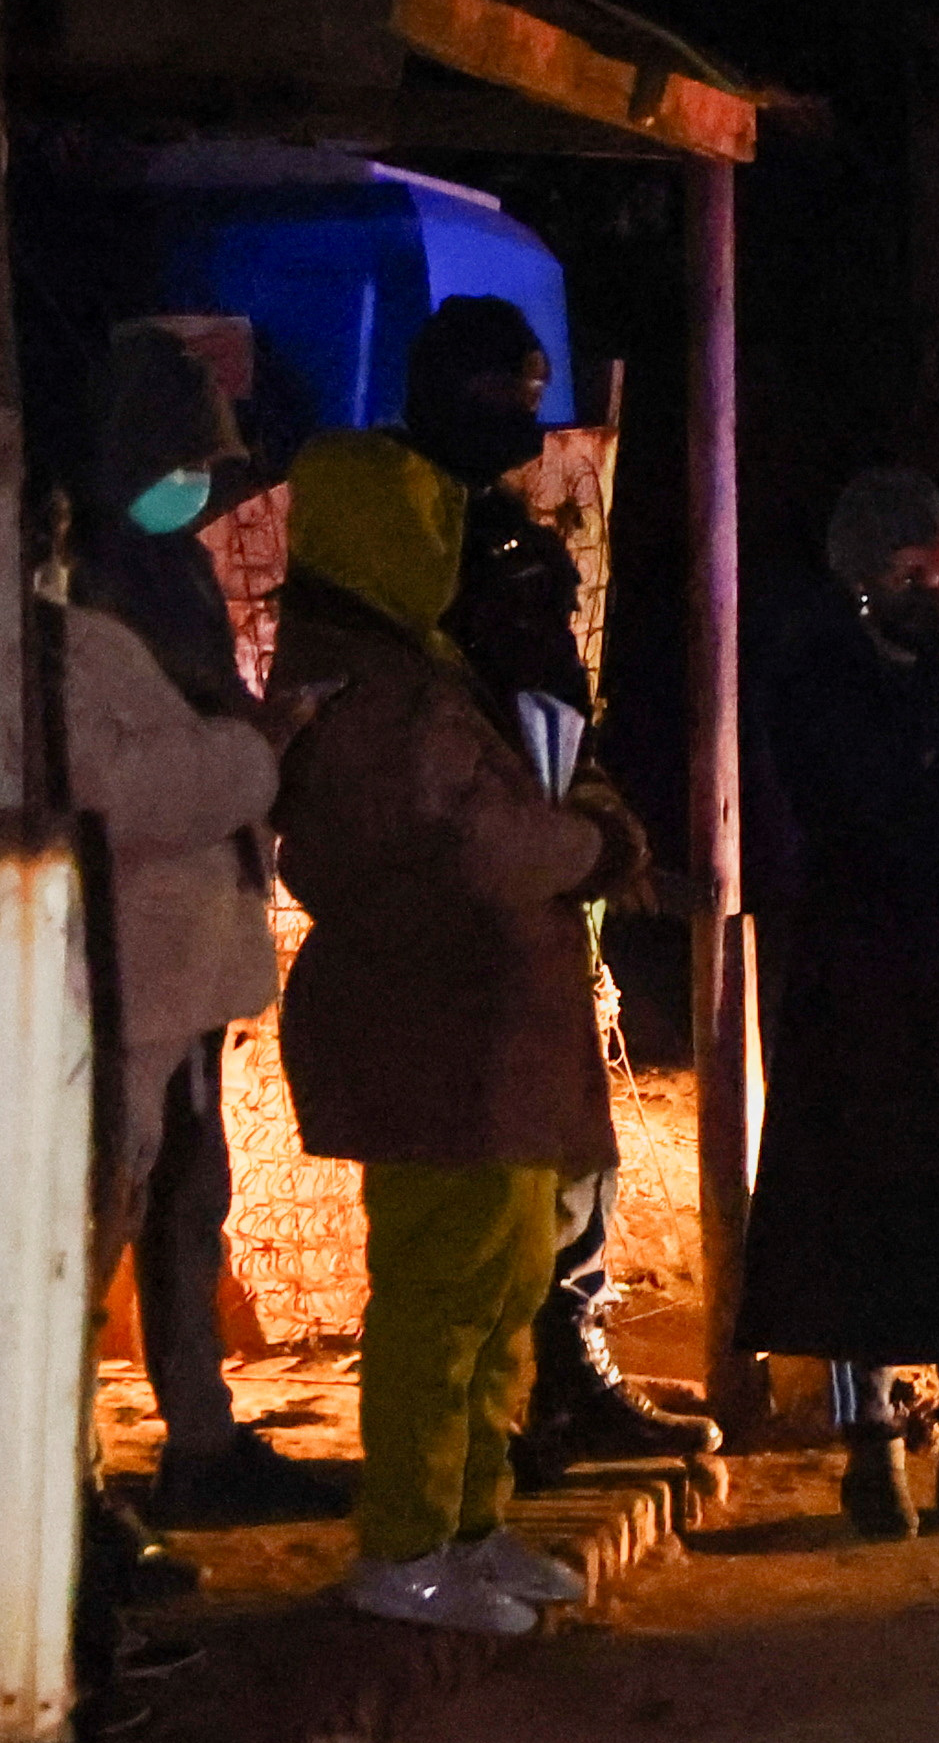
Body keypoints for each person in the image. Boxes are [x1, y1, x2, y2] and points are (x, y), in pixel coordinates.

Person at [268, 430, 662, 1637]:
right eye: (426, 522)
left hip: (482, 1029)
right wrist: (597, 841)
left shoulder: (411, 664)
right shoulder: (375, 693)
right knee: (441, 1293)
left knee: (500, 1283)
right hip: (436, 1028)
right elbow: (503, 844)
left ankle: (469, 1520)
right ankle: (405, 1541)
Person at [392, 295, 717, 1479]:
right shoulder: (415, 553)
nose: (523, 423)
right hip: (477, 895)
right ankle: (490, 1436)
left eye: (535, 397)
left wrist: (596, 823)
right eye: (503, 397)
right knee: (493, 1180)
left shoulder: (500, 536)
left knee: (572, 1146)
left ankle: (554, 1381)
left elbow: (553, 717)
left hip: (546, 876)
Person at [57, 326, 345, 1533]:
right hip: (125, 973)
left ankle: (200, 1445)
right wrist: (257, 753)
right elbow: (119, 789)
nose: (199, 491)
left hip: (175, 976)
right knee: (102, 1222)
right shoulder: (75, 606)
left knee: (182, 1207)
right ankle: (68, 1489)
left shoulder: (158, 579)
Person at [744, 468, 939, 1544]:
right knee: (858, 1217)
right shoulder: (818, 681)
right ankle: (870, 1452)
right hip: (859, 988)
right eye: (911, 573)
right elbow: (850, 810)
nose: (936, 591)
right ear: (862, 578)